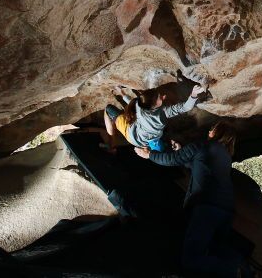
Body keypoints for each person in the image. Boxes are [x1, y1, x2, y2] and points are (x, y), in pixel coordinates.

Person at [135, 121, 244, 277]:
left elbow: (171, 160)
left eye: (212, 128)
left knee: (191, 259)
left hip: (207, 208)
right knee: (214, 251)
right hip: (226, 211)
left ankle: (235, 269)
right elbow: (198, 167)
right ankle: (239, 268)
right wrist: (181, 150)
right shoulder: (225, 157)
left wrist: (149, 155)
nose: (209, 130)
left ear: (216, 132)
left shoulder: (202, 145)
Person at [103, 82, 207, 153]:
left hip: (135, 135)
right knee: (109, 110)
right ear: (154, 104)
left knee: (108, 109)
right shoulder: (164, 113)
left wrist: (121, 92)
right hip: (138, 139)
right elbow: (186, 107)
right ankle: (112, 144)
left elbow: (131, 102)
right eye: (160, 97)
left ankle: (111, 144)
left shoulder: (140, 106)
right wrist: (193, 94)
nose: (163, 96)